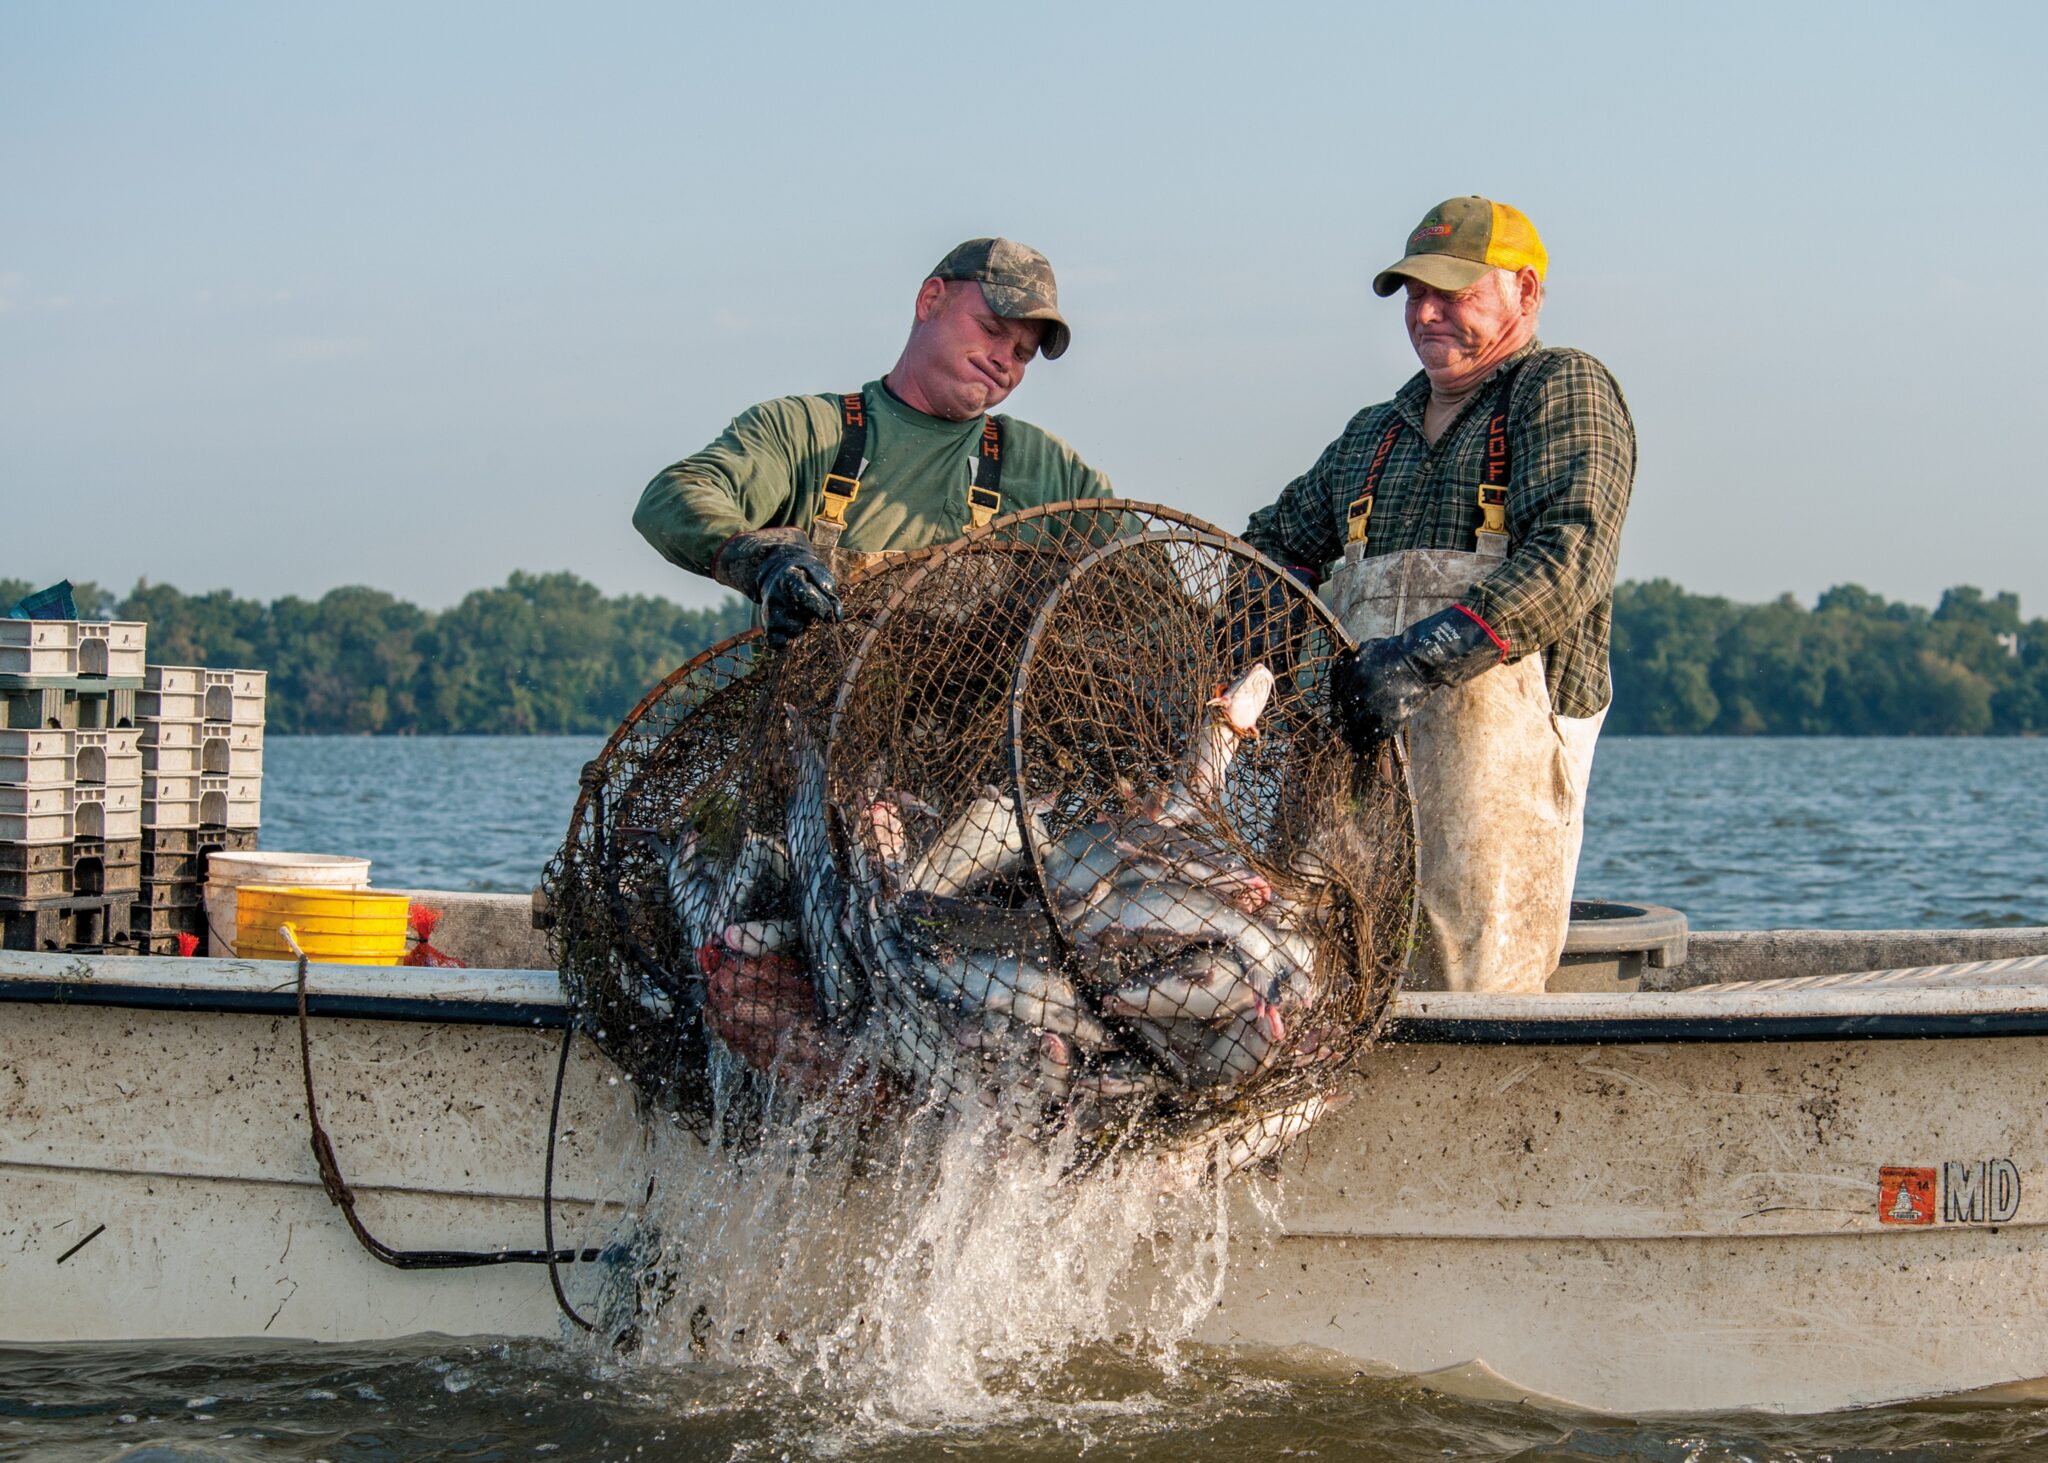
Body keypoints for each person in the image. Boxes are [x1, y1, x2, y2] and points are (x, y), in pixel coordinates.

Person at [1243, 197, 1636, 993]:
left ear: (1526, 292)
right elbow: (1271, 546)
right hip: (1343, 798)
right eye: (1414, 293)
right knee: (1311, 985)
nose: (1427, 313)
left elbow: (1572, 555)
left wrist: (1424, 657)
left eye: (1454, 292)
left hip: (1490, 823)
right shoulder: (1370, 436)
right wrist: (1258, 653)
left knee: (1472, 984)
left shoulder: (1558, 389)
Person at [633, 237, 1113, 645]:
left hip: (983, 751)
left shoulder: (1053, 471)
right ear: (931, 300)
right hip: (813, 748)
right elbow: (672, 497)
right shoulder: (805, 430)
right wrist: (765, 561)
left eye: (1022, 353)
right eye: (991, 330)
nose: (1003, 359)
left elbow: (1149, 593)